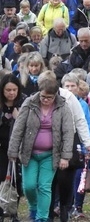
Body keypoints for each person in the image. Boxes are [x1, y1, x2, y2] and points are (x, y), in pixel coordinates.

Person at [8, 74, 74, 222]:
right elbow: (18, 127)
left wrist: (65, 156)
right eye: (43, 96)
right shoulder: (29, 103)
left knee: (45, 186)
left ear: (55, 95)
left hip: (50, 154)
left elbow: (68, 132)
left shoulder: (63, 106)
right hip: (29, 153)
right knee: (29, 186)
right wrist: (13, 150)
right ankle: (34, 206)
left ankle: (42, 218)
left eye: (49, 97)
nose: (45, 100)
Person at [0, 75, 25, 220]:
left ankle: (13, 209)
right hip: (2, 147)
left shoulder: (23, 103)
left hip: (18, 148)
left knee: (16, 181)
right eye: (8, 90)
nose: (11, 93)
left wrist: (18, 117)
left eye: (14, 90)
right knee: (2, 178)